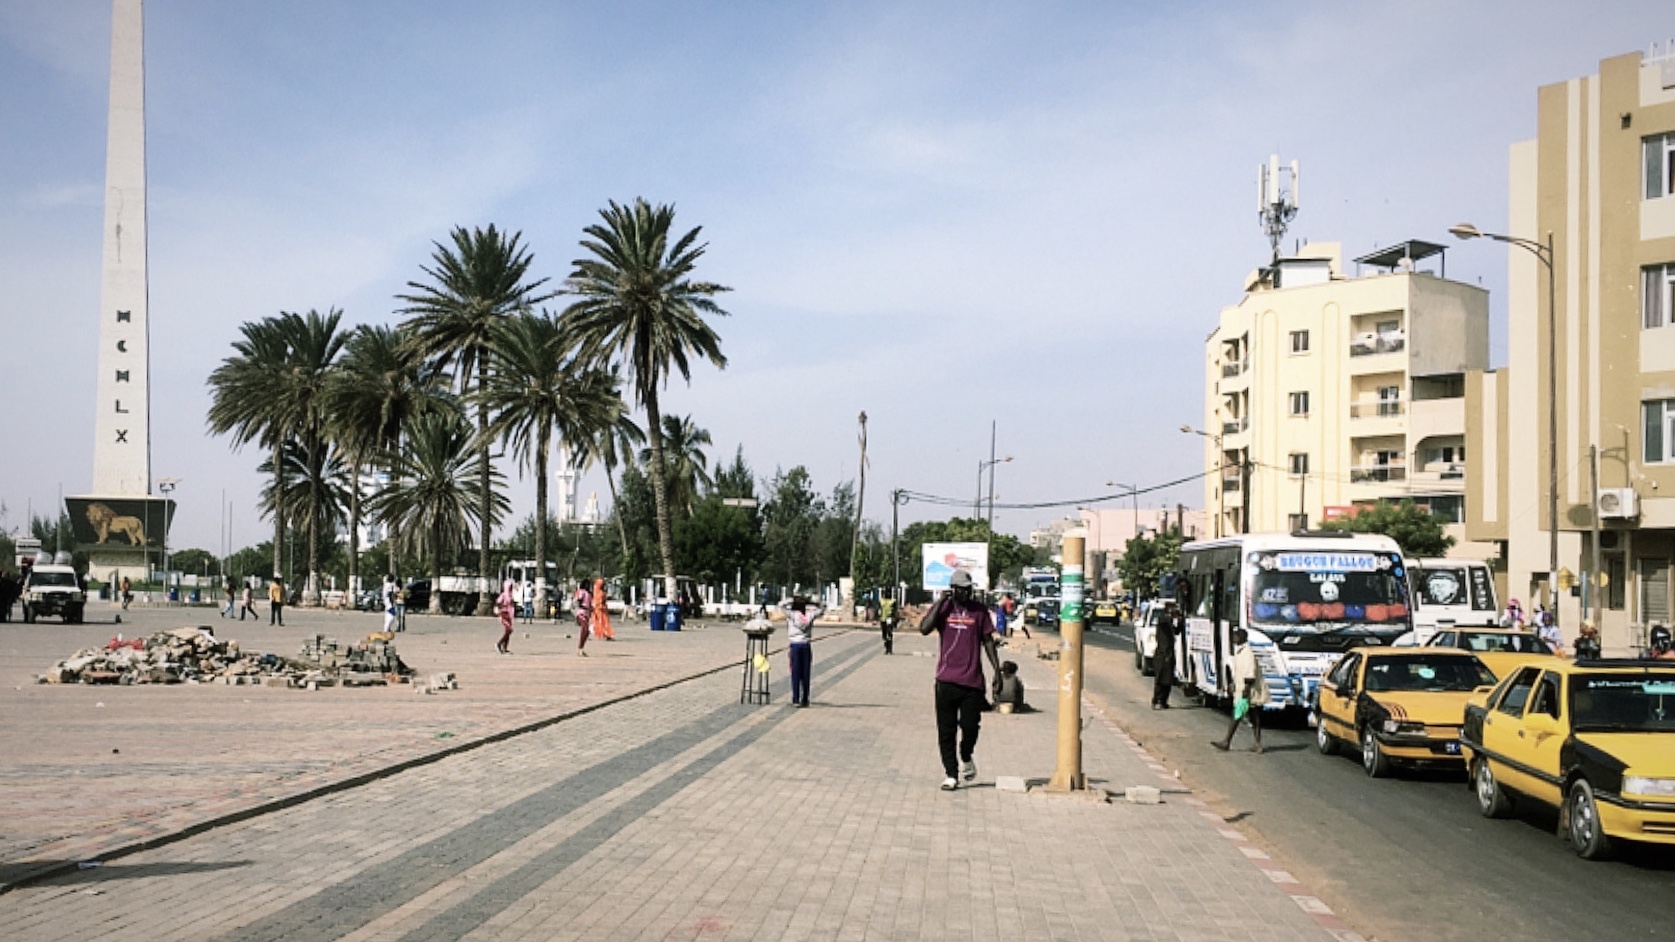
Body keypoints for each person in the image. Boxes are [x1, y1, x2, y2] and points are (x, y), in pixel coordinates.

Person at [919, 569, 1003, 791]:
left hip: (972, 681)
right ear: (952, 589)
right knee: (946, 730)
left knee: (970, 726)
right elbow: (924, 629)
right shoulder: (944, 608)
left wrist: (997, 671)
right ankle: (951, 774)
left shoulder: (979, 611)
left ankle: (966, 754)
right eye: (961, 590)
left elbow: (988, 641)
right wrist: (940, 602)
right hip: (945, 680)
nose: (966, 593)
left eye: (968, 589)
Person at [1213, 627, 1266, 753]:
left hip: (1247, 690)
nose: (1234, 638)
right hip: (1243, 688)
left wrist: (1246, 688)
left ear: (1242, 638)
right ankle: (1257, 744)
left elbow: (1250, 671)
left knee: (1237, 714)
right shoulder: (1240, 651)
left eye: (1236, 636)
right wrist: (1233, 684)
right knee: (1254, 716)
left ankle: (1227, 741)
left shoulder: (1247, 652)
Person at [784, 595, 824, 707]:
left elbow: (780, 605)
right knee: (806, 673)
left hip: (795, 645)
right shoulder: (810, 615)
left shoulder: (792, 615)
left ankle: (796, 699)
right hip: (806, 645)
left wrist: (791, 599)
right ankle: (805, 699)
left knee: (795, 673)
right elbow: (822, 608)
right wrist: (813, 602)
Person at [1152, 600, 1180, 710]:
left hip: (1170, 653)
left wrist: (1180, 620)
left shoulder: (1170, 623)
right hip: (1161, 654)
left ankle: (1164, 701)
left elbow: (1177, 631)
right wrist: (1172, 616)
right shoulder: (1162, 620)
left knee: (1168, 680)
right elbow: (1164, 621)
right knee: (1160, 679)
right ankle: (1156, 700)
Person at [494, 578, 516, 654]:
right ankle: (499, 643)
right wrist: (503, 607)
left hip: (509, 615)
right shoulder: (503, 595)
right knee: (509, 630)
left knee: (508, 632)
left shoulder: (510, 595)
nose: (511, 588)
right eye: (510, 587)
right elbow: (498, 603)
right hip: (503, 614)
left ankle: (505, 648)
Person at [591, 576, 615, 641]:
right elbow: (601, 601)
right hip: (601, 609)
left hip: (597, 609)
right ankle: (607, 634)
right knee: (604, 622)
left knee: (598, 622)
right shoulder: (601, 593)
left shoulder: (595, 592)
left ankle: (603, 634)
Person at [574, 581, 593, 656]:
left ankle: (581, 648)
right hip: (581, 612)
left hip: (587, 613)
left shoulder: (589, 594)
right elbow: (578, 600)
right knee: (585, 630)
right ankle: (580, 649)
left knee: (586, 632)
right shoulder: (582, 592)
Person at [879, 591, 898, 655]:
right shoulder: (882, 601)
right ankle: (887, 647)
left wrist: (895, 619)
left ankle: (889, 649)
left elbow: (895, 611)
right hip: (884, 619)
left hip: (888, 618)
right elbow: (879, 609)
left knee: (889, 634)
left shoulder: (892, 601)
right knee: (885, 634)